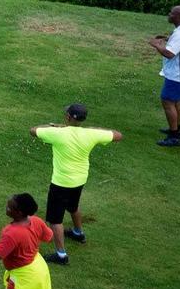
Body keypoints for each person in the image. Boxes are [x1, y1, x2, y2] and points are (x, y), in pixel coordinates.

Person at [31, 104, 121, 265]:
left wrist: (54, 126)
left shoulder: (58, 134)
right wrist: (94, 130)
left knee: (55, 219)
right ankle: (78, 232)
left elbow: (33, 130)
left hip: (61, 182)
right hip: (80, 179)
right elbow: (118, 135)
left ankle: (61, 255)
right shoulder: (90, 134)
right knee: (73, 206)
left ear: (67, 117)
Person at [151, 5, 180, 148]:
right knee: (176, 101)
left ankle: (174, 136)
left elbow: (169, 54)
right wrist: (168, 38)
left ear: (178, 17)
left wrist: (156, 45)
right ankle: (176, 127)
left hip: (178, 76)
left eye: (171, 13)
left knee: (168, 101)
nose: (169, 14)